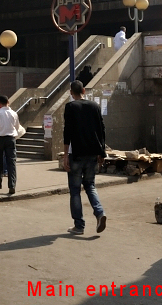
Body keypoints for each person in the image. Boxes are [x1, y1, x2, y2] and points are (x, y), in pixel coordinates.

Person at [62, 80, 107, 235]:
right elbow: (101, 130)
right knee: (90, 185)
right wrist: (102, 152)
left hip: (76, 154)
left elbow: (67, 132)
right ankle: (100, 213)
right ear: (84, 90)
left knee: (75, 190)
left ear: (70, 92)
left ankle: (79, 226)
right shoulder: (95, 106)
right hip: (92, 154)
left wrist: (65, 155)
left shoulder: (70, 107)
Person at [0, 95, 20, 195]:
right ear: (8, 102)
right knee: (12, 163)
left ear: (0, 104)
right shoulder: (14, 114)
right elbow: (17, 127)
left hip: (0, 140)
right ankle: (12, 185)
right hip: (10, 139)